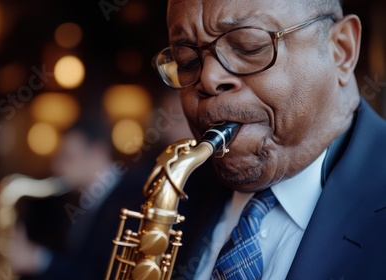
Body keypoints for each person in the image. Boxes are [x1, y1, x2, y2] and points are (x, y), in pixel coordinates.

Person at [150, 0, 386, 279]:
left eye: (249, 46)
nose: (208, 78)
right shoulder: (153, 200)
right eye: (186, 61)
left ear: (341, 49)